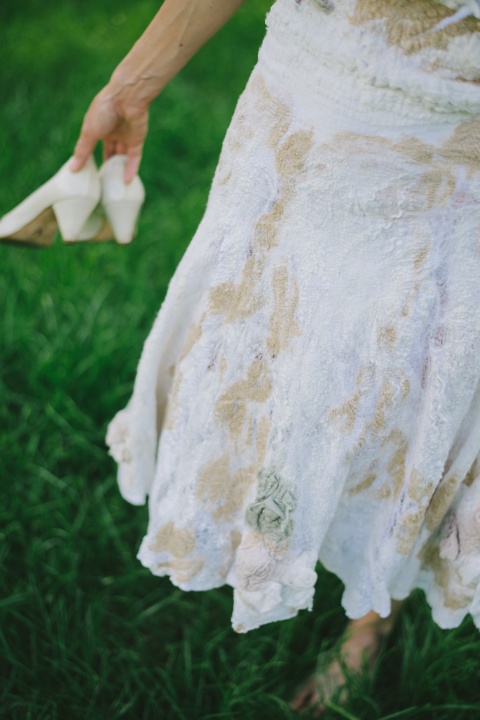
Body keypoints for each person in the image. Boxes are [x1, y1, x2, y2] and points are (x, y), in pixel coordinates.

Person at [70, 0, 480, 715]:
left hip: (458, 127)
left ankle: (370, 617)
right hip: (308, 93)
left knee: (410, 383)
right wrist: (133, 83)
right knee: (273, 348)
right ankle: (265, 538)